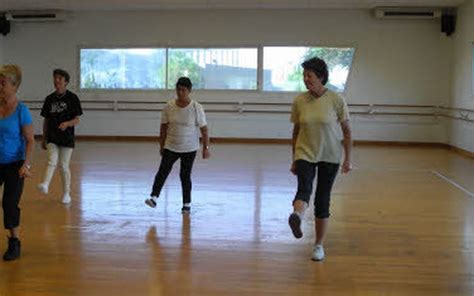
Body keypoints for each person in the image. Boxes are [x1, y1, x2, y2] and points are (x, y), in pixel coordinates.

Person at [288, 57, 352, 261]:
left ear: (321, 77)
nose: (306, 79)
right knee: (304, 188)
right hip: (305, 152)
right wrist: (294, 158)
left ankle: (318, 245)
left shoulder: (336, 99)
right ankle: (296, 217)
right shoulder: (299, 100)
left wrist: (348, 159)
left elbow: (347, 132)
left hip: (330, 155)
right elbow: (296, 131)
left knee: (322, 199)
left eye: (310, 75)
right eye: (304, 75)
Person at [145, 77, 210, 213]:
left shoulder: (196, 107)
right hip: (171, 146)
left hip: (189, 148)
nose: (180, 92)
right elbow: (163, 127)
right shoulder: (169, 106)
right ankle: (154, 197)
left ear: (189, 91)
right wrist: (161, 145)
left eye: (183, 90)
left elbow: (204, 129)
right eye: (178, 89)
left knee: (185, 176)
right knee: (163, 171)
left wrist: (206, 148)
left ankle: (186, 204)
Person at [0, 64, 34, 261]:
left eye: (3, 83)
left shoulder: (21, 110)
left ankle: (14, 243)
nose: (0, 86)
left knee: (9, 203)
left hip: (15, 164)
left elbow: (30, 140)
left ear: (15, 86)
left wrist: (26, 165)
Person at [37, 69, 83, 204]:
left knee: (63, 165)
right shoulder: (49, 99)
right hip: (52, 137)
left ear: (66, 82)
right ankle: (45, 183)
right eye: (55, 78)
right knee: (52, 160)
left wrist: (67, 123)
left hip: (67, 138)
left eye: (60, 79)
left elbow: (77, 119)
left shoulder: (72, 98)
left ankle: (66, 194)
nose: (56, 81)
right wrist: (44, 137)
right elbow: (46, 120)